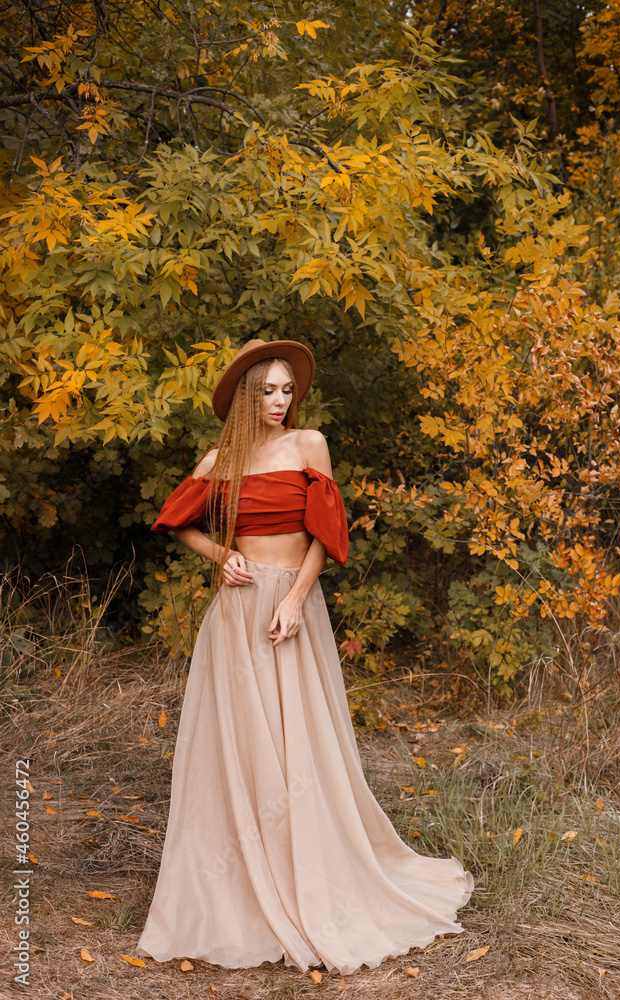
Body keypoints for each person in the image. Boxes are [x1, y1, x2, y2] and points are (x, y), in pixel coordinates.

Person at [136, 338, 473, 977]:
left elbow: (325, 536)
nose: (280, 401)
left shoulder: (308, 445)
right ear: (244, 395)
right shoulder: (219, 460)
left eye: (287, 390)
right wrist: (221, 555)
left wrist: (293, 599)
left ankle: (314, 877)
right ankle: (242, 887)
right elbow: (178, 522)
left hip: (291, 610)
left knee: (300, 745)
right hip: (236, 615)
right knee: (243, 749)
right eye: (267, 390)